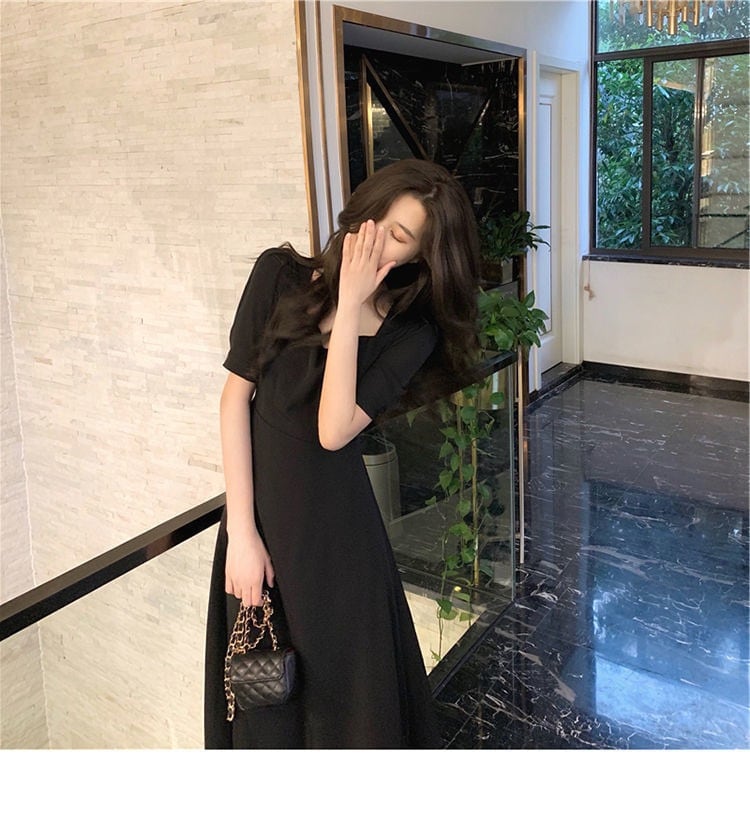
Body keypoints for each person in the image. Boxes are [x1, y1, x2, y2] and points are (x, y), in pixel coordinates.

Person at [204, 158, 481, 749]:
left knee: (349, 709)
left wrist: (353, 303)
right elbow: (233, 400)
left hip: (341, 547)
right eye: (379, 218)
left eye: (399, 237)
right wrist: (242, 533)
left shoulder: (411, 333)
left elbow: (333, 430)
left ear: (418, 258)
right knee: (266, 697)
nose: (377, 238)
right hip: (261, 532)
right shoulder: (277, 274)